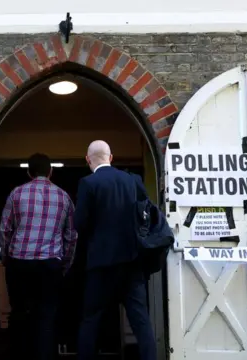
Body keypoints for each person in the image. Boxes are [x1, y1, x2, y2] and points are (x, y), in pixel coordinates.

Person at [74, 140, 156, 360]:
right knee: (141, 320)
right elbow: (146, 217)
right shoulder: (133, 181)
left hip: (101, 263)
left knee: (91, 319)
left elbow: (79, 224)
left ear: (87, 159)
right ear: (111, 158)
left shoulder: (88, 183)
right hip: (132, 261)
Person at [0, 153, 78, 360]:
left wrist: (5, 258)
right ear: (50, 172)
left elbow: (5, 230)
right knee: (47, 318)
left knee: (19, 314)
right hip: (50, 265)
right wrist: (65, 264)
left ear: (28, 171)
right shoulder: (64, 197)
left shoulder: (16, 193)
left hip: (19, 263)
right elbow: (71, 236)